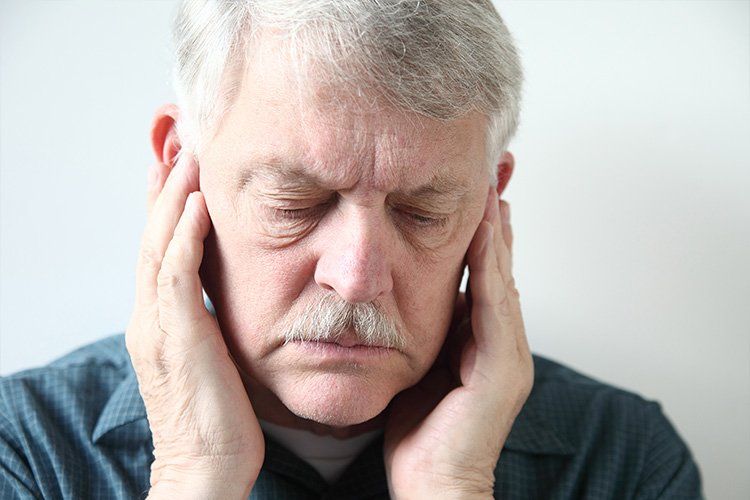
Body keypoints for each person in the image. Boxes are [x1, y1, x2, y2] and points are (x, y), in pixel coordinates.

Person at [0, 1, 704, 499]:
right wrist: (195, 476)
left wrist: (454, 491)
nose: (358, 277)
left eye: (423, 211)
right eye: (294, 204)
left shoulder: (621, 459)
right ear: (182, 165)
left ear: (491, 199)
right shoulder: (27, 450)